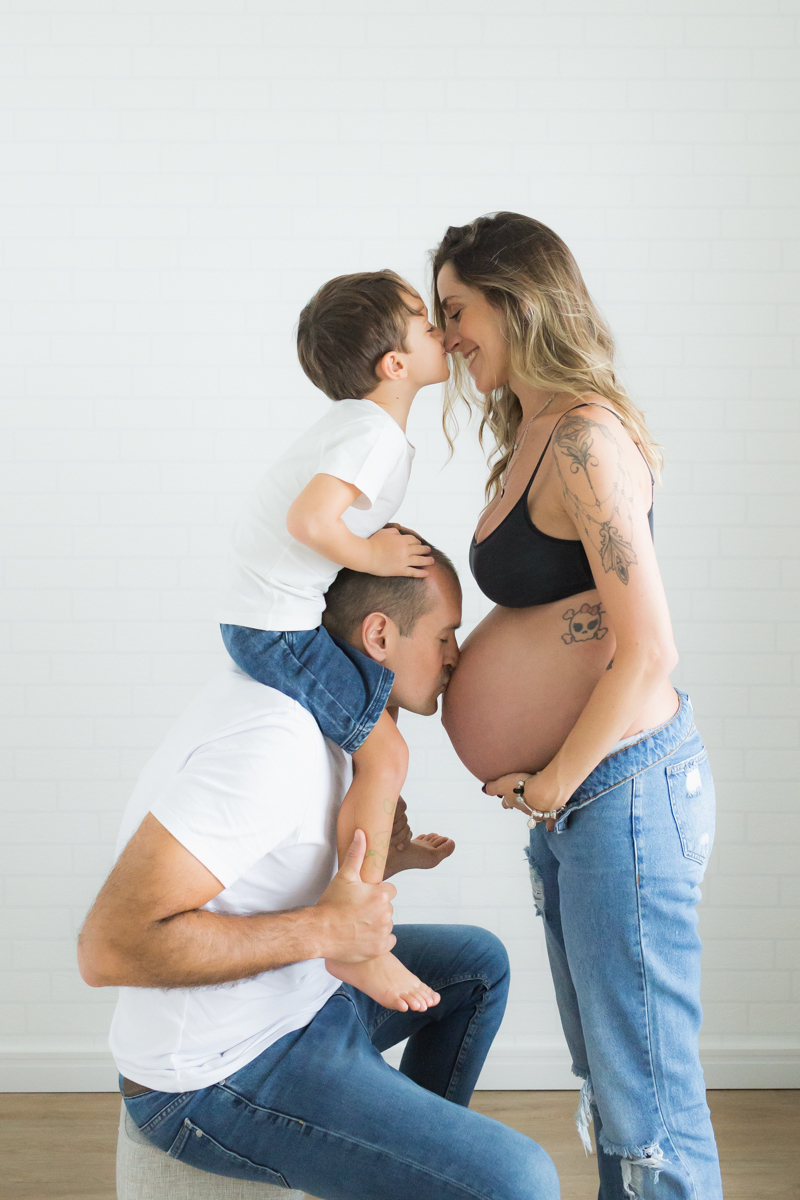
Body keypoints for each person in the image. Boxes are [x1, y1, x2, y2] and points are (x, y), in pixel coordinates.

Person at [77, 552, 560, 1200]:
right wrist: (327, 932)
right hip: (215, 1074)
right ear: (380, 635)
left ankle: (413, 1174)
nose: (456, 657)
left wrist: (382, 865)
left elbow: (274, 876)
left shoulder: (342, 729)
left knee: (477, 964)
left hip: (302, 1001)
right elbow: (109, 947)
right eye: (445, 636)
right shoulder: (273, 743)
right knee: (521, 1179)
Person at [432, 212, 722, 1200]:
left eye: (457, 310)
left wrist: (555, 781)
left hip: (619, 793)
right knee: (612, 1087)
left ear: (516, 299)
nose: (448, 336)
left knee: (648, 1106)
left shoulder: (586, 441)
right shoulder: (536, 431)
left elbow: (650, 650)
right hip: (588, 804)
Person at [219, 269, 451, 1012]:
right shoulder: (370, 431)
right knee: (389, 752)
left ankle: (380, 852)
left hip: (273, 618)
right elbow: (310, 521)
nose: (442, 329)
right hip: (276, 627)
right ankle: (357, 941)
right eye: (426, 322)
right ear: (395, 363)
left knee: (378, 723)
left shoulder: (362, 428)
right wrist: (375, 554)